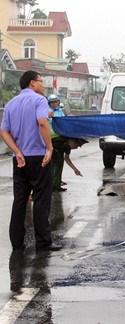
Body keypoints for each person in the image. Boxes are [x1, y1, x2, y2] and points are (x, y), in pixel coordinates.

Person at [0, 70, 62, 252]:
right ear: (32, 83)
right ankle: (43, 242)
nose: (43, 85)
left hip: (19, 159)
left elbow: (4, 132)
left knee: (19, 201)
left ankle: (17, 244)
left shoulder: (10, 104)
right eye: (41, 81)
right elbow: (42, 122)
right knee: (41, 200)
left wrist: (17, 151)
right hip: (39, 157)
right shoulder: (39, 100)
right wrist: (50, 148)